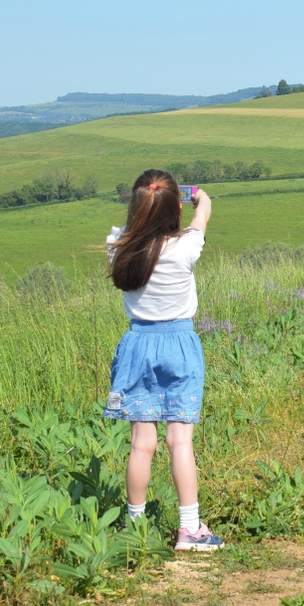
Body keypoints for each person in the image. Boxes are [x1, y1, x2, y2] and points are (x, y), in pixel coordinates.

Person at [105, 169, 223, 552]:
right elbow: (203, 211)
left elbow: (132, 228)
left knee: (141, 444)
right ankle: (189, 530)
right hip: (180, 345)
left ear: (137, 208)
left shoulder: (118, 246)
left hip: (137, 344)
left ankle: (135, 529)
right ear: (173, 208)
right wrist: (197, 196)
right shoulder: (186, 247)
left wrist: (149, 206)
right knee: (180, 441)